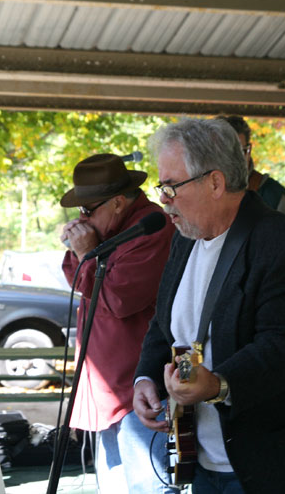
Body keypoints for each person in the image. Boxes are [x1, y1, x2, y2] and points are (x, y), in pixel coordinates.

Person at [133, 119, 285, 493]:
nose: (163, 198)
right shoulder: (186, 238)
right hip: (200, 462)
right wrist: (145, 378)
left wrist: (217, 384)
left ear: (215, 183)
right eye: (161, 186)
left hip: (272, 467)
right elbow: (164, 324)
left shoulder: (281, 241)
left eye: (171, 186)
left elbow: (284, 346)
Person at [59, 153, 176, 493]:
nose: (82, 219)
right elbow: (77, 278)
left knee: (146, 485)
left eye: (88, 210)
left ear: (119, 202)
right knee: (112, 485)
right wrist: (80, 253)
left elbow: (118, 300)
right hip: (107, 384)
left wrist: (86, 253)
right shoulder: (109, 229)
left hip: (136, 386)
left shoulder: (150, 228)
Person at [216, 115, 285, 217]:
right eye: (225, 152)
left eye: (239, 152)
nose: (232, 159)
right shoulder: (201, 191)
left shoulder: (273, 195)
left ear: (249, 150)